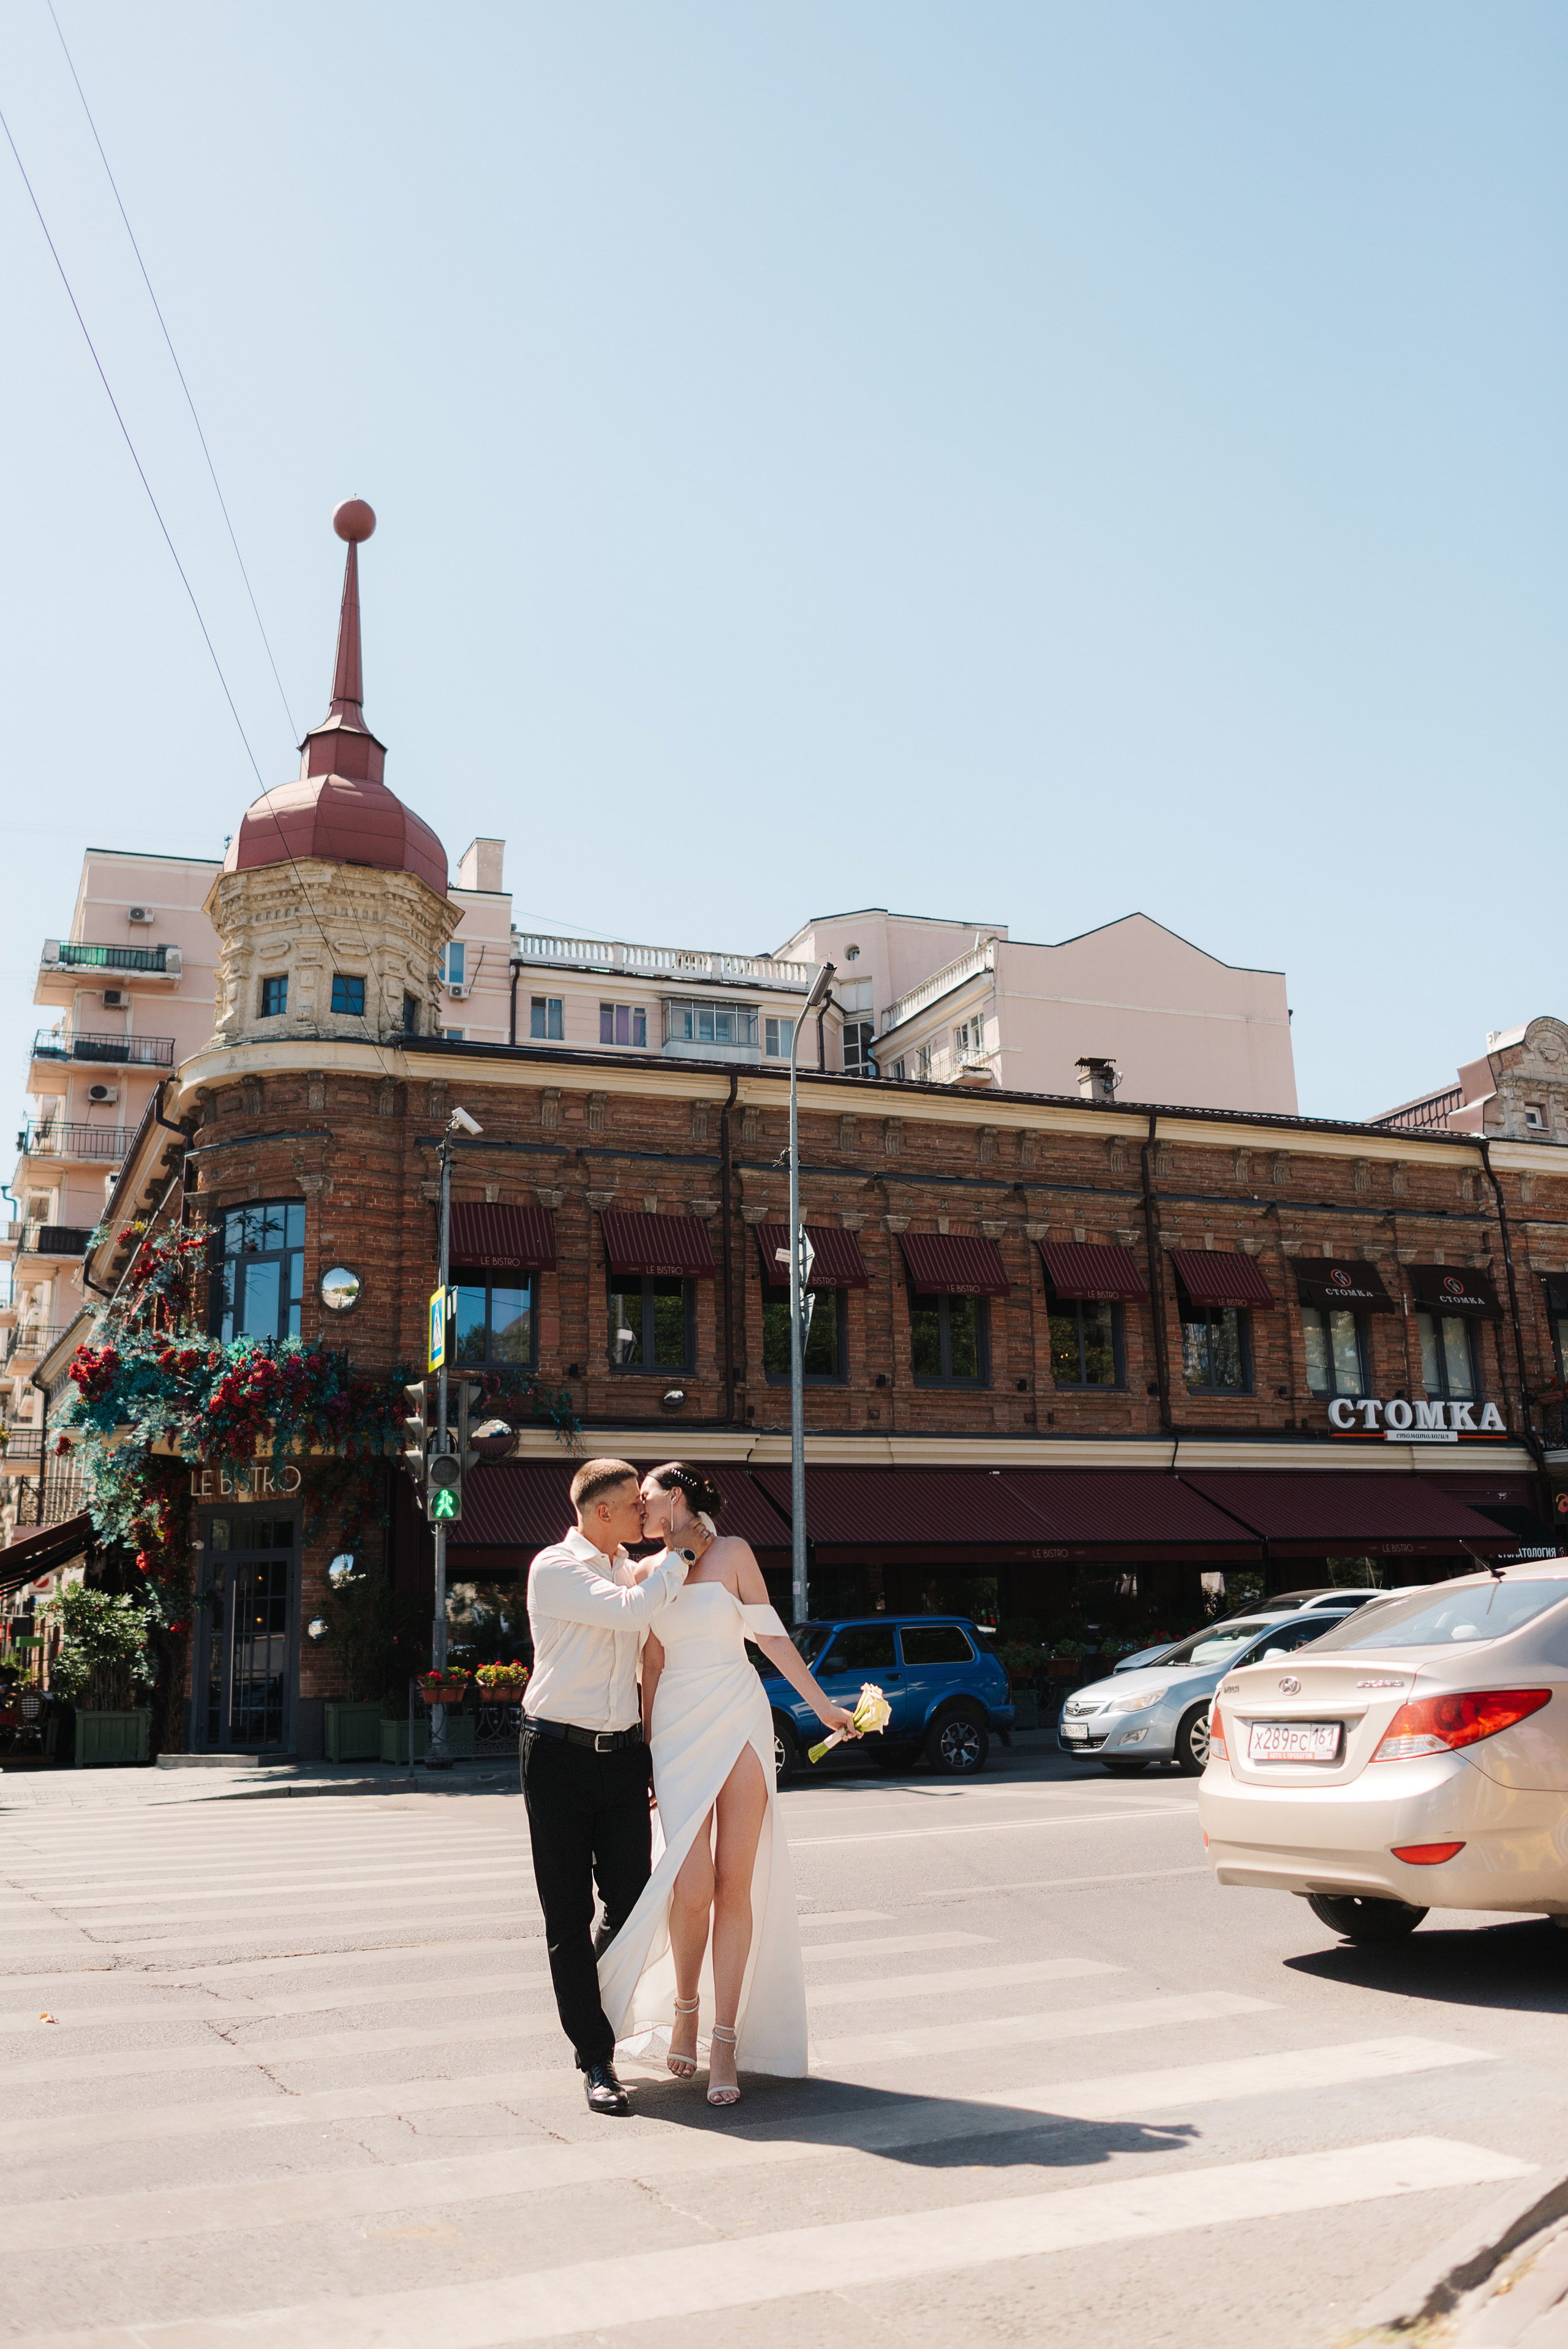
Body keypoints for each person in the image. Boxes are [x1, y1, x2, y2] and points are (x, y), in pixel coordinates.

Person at [597, 1462, 858, 2106]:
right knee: (689, 1889)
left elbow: (770, 1638)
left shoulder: (736, 1552)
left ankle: (723, 2041)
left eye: (646, 1496)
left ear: (675, 1498)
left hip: (739, 1714)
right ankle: (683, 2008)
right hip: (680, 1726)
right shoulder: (641, 1571)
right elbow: (650, 1666)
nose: (638, 1506)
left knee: (733, 1884)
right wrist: (652, 1753)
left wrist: (823, 1707)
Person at [520, 1456, 714, 2116]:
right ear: (602, 1511)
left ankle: (590, 2004)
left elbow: (663, 1627)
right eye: (636, 1503)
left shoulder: (627, 1567)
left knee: (632, 1902)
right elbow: (636, 1613)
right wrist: (681, 1554)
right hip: (556, 1753)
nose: (644, 1513)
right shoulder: (555, 1568)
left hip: (624, 1756)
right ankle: (595, 2057)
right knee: (567, 1915)